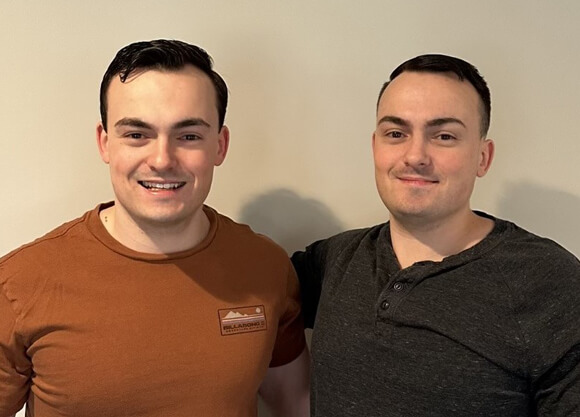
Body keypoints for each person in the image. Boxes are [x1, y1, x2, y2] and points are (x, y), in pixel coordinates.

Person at [0, 39, 309, 417]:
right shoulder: (20, 283)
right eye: (136, 134)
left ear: (220, 145)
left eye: (189, 136)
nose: (162, 160)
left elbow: (294, 404)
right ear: (105, 143)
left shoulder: (266, 268)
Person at [292, 54, 580, 416]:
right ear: (375, 147)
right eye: (396, 133)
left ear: (482, 157)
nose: (415, 156)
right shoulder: (334, 260)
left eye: (444, 136)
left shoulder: (551, 283)